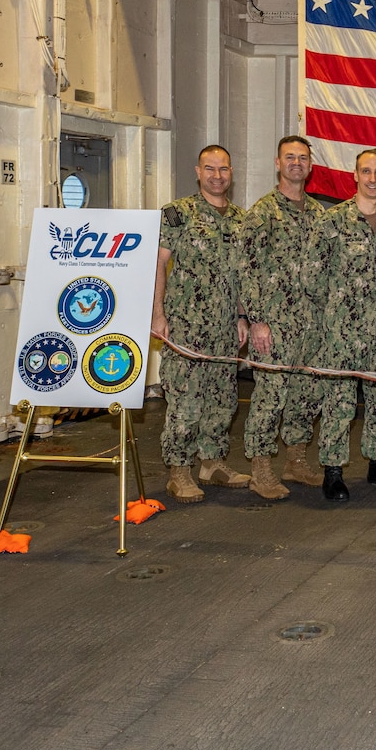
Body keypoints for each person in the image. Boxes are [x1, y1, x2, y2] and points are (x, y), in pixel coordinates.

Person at [306, 148, 376, 502]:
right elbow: (311, 275)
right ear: (355, 175)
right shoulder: (333, 221)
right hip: (342, 332)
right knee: (339, 400)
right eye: (366, 171)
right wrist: (338, 308)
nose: (372, 178)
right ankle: (333, 470)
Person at [150, 144, 250, 503]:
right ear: (197, 171)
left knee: (223, 398)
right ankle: (179, 471)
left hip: (224, 328)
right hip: (186, 325)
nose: (217, 176)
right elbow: (159, 264)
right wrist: (157, 312)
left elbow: (241, 274)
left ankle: (212, 462)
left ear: (231, 173)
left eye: (223, 169)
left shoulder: (241, 219)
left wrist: (241, 316)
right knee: (185, 400)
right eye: (210, 169)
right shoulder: (178, 213)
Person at [238, 136, 326, 501]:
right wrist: (256, 321)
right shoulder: (262, 213)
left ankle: (295, 460)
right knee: (269, 398)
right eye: (290, 157)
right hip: (273, 326)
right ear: (278, 163)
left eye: (302, 158)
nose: (296, 163)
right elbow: (246, 269)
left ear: (310, 166)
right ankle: (260, 469)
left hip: (312, 326)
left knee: (307, 396)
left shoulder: (320, 215)